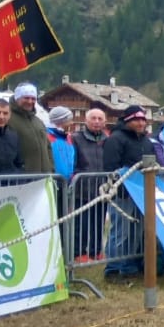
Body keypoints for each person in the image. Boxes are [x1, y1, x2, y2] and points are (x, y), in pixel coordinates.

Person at [102, 106, 154, 276]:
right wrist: (120, 189)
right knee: (120, 232)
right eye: (136, 120)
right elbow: (111, 167)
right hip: (123, 193)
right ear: (127, 121)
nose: (140, 123)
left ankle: (131, 264)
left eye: (142, 120)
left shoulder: (146, 141)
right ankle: (114, 268)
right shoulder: (116, 139)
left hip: (141, 193)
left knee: (136, 231)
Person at [70, 106, 108, 260]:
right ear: (86, 120)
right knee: (82, 224)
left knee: (99, 223)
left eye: (100, 119)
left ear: (105, 122)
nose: (97, 122)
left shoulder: (107, 140)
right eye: (93, 118)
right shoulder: (75, 138)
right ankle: (79, 252)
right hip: (82, 188)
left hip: (102, 189)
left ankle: (96, 251)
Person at [7, 82, 53, 176]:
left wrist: (51, 168)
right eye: (26, 98)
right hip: (22, 179)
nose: (30, 101)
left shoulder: (38, 122)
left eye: (33, 99)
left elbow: (48, 147)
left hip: (44, 178)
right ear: (17, 98)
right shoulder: (8, 119)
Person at [45, 107, 75, 179]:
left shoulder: (68, 138)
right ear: (61, 121)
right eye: (69, 120)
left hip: (68, 182)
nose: (72, 123)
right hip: (53, 181)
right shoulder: (47, 137)